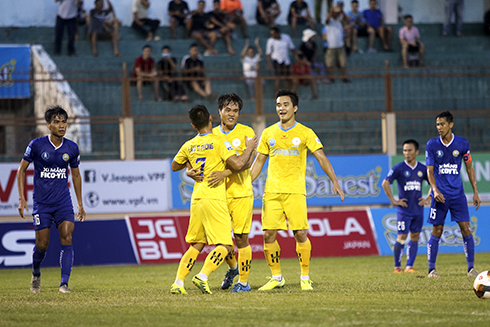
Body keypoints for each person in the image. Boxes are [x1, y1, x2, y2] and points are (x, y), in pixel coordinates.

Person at [250, 89, 345, 291]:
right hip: (272, 192)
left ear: (295, 108)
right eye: (278, 105)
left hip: (295, 191)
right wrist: (246, 181)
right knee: (268, 235)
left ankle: (305, 276)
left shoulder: (305, 132)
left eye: (285, 104)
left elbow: (321, 156)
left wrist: (334, 180)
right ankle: (276, 277)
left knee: (300, 233)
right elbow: (259, 162)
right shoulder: (268, 133)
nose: (281, 108)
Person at [170, 104, 257, 295]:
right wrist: (249, 147)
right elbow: (240, 163)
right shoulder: (218, 141)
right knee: (226, 245)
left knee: (197, 244)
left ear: (193, 125)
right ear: (212, 117)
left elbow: (174, 165)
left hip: (197, 197)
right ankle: (203, 276)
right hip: (215, 198)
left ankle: (178, 282)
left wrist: (189, 169)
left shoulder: (189, 144)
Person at [17, 106, 86, 294]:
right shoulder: (37, 145)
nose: (61, 125)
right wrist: (22, 199)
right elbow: (21, 170)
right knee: (42, 244)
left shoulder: (72, 148)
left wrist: (80, 203)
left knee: (67, 235)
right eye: (57, 122)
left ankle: (64, 284)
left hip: (63, 202)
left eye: (64, 121)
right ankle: (36, 273)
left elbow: (76, 176)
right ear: (48, 125)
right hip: (42, 203)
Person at [425, 111, 481, 278]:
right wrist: (434, 190)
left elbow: (469, 168)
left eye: (442, 124)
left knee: (465, 228)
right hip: (440, 196)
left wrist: (476, 191)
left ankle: (471, 269)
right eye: (437, 125)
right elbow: (430, 171)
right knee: (437, 229)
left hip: (457, 195)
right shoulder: (432, 145)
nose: (439, 128)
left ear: (451, 124)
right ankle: (431, 270)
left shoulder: (462, 143)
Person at [382, 139, 430, 273]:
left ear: (416, 152)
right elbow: (385, 183)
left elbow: (434, 182)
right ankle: (397, 267)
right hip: (404, 211)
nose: (406, 153)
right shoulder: (399, 168)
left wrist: (428, 198)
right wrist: (393, 200)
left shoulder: (422, 169)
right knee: (401, 237)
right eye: (404, 150)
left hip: (418, 209)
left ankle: (409, 267)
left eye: (409, 150)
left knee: (415, 236)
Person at [323, 6, 350, 83]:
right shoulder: (328, 21)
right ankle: (331, 77)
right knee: (329, 63)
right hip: (330, 46)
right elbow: (327, 20)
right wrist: (331, 11)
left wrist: (342, 10)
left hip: (340, 45)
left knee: (343, 63)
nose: (337, 14)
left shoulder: (339, 20)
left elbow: (345, 18)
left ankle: (344, 77)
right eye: (336, 13)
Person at [266, 27, 297, 92]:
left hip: (286, 60)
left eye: (273, 34)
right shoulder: (270, 40)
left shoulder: (286, 37)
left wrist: (296, 57)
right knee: (278, 78)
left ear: (277, 33)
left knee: (288, 78)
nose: (272, 36)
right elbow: (268, 53)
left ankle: (286, 93)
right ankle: (276, 94)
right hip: (276, 60)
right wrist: (269, 64)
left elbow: (292, 48)